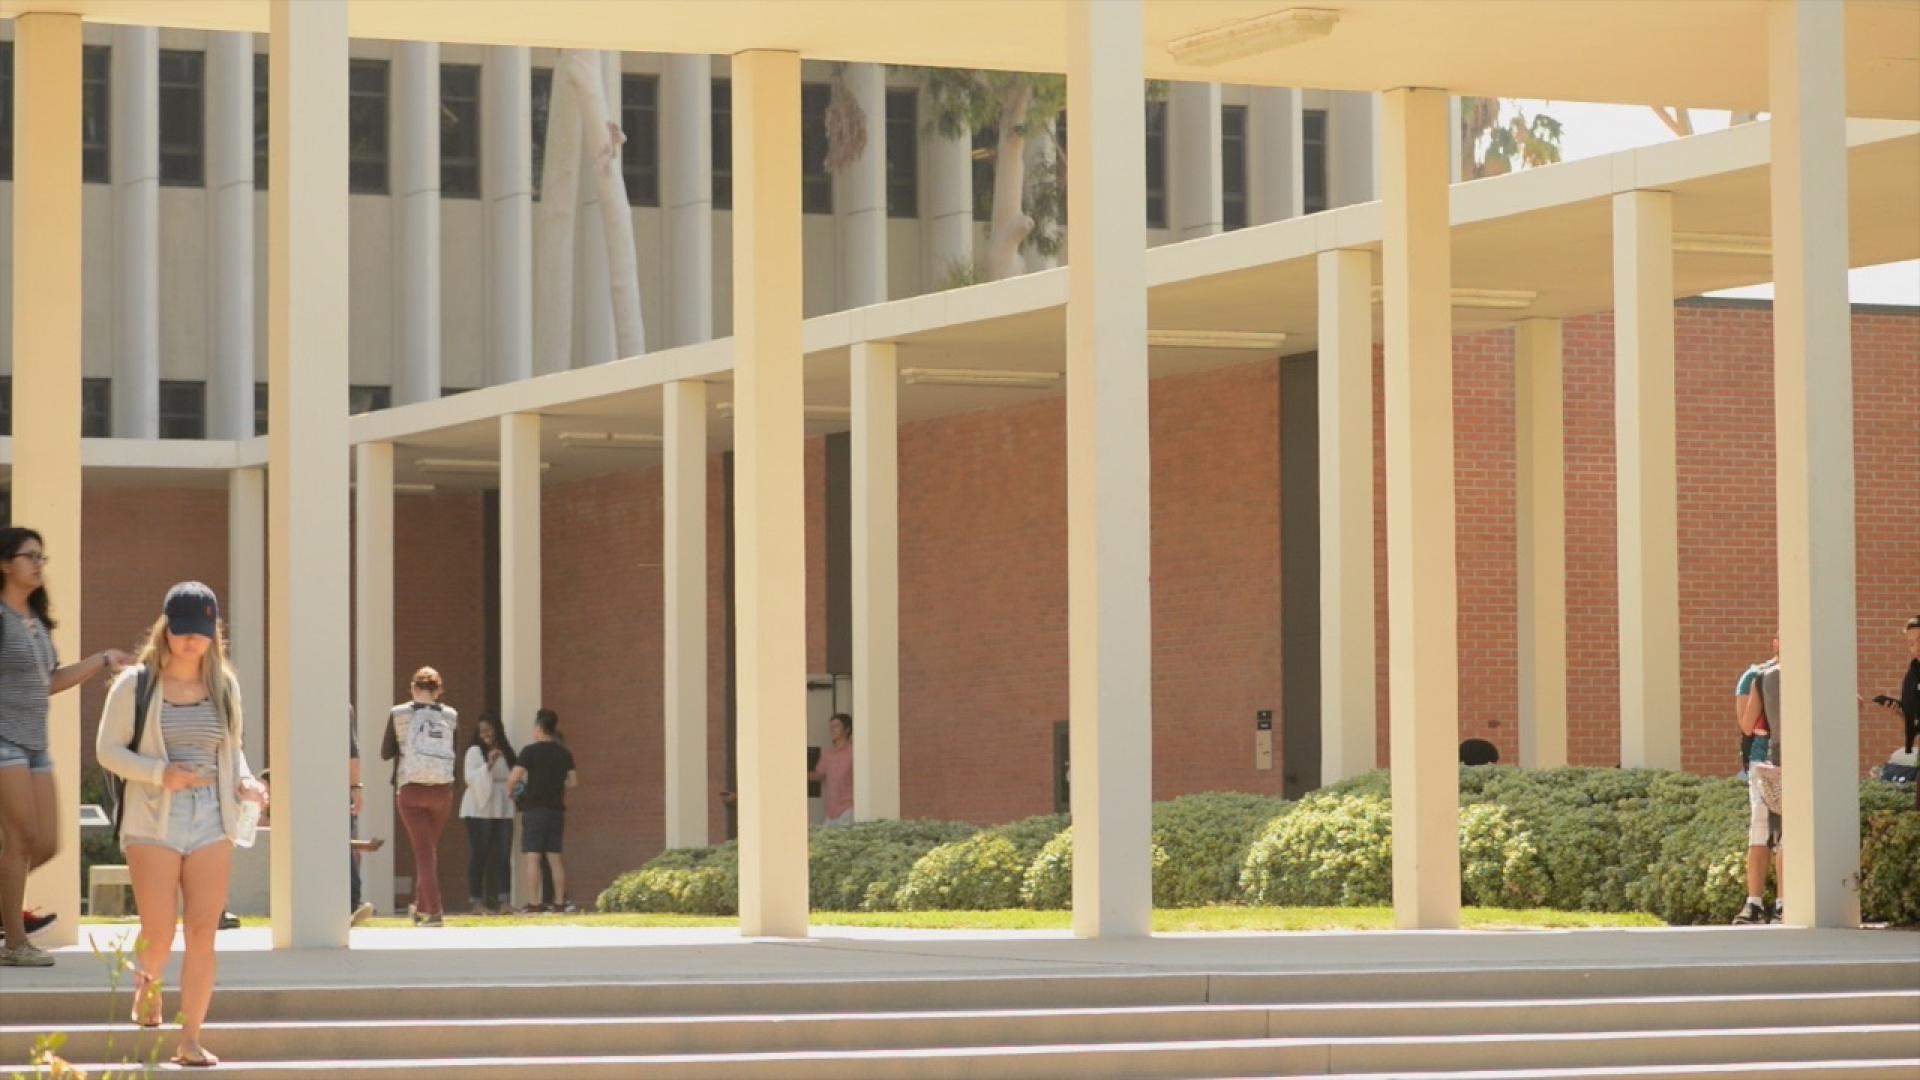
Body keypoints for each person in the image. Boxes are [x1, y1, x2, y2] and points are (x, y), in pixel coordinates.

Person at [96, 582, 266, 1068]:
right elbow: (107, 751)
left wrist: (249, 785)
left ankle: (189, 1038)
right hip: (153, 816)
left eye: (201, 633)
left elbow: (232, 751)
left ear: (214, 634)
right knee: (159, 931)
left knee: (202, 932)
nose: (191, 642)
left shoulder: (224, 686)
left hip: (213, 814)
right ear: (165, 629)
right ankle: (146, 988)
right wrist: (159, 774)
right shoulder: (137, 684)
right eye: (182, 632)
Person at [0, 527, 132, 968]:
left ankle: (7, 911)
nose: (38, 563)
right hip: (3, 740)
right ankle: (15, 944)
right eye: (28, 556)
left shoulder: (35, 622)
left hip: (36, 743)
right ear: (4, 564)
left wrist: (101, 660)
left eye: (42, 556)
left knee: (49, 842)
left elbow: (50, 681)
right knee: (19, 839)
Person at [382, 667, 457, 926]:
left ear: (413, 688)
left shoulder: (399, 713)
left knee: (423, 851)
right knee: (427, 850)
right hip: (442, 791)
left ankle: (434, 911)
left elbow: (385, 752)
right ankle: (421, 908)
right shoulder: (450, 715)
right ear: (438, 691)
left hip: (411, 790)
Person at [1734, 641, 1783, 925]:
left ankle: (1782, 903)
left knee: (1782, 834)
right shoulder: (1757, 675)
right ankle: (1755, 902)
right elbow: (1746, 724)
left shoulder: (1809, 672)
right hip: (1763, 760)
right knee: (1762, 829)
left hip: (1789, 761)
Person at [509, 709, 577, 913]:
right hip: (556, 810)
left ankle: (533, 903)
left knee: (533, 856)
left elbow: (514, 777)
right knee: (554, 857)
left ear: (538, 728)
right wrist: (557, 787)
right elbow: (573, 781)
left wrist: (511, 792)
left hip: (534, 809)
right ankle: (558, 902)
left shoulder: (530, 751)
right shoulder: (564, 752)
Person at [459, 713, 515, 913]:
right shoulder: (474, 751)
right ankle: (476, 901)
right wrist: (488, 765)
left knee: (503, 855)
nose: (486, 734)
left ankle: (505, 901)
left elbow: (514, 775)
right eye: (482, 730)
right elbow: (470, 778)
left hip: (503, 806)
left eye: (489, 730)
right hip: (479, 808)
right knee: (479, 855)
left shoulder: (507, 751)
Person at [1863, 615, 1920, 811]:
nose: (1916, 648)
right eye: (1911, 643)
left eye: (1919, 640)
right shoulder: (1912, 675)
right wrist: (1899, 713)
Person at [808, 713, 855, 828]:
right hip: (831, 812)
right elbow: (818, 775)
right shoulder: (828, 755)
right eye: (830, 727)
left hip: (848, 810)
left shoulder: (855, 752)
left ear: (847, 729)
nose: (832, 730)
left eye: (836, 726)